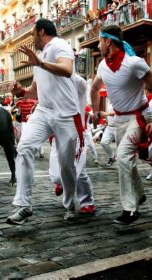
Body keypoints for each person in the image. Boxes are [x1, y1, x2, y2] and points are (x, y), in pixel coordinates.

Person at [6, 19, 82, 225]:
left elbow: (66, 69)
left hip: (66, 114)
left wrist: (39, 63)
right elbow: (35, 89)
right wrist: (20, 92)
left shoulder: (60, 45)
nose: (31, 39)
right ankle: (24, 205)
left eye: (32, 35)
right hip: (44, 111)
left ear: (41, 32)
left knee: (66, 165)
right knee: (24, 147)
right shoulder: (39, 57)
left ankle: (70, 205)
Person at [91, 25, 152, 225]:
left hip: (138, 116)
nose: (98, 45)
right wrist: (95, 111)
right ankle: (140, 193)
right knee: (127, 160)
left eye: (99, 40)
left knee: (123, 157)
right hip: (119, 120)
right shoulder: (102, 65)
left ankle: (130, 209)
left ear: (108, 41)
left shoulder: (134, 63)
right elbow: (94, 88)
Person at [49, 74, 96, 215]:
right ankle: (61, 182)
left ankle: (87, 201)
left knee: (80, 172)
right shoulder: (52, 87)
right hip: (59, 133)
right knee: (57, 174)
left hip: (79, 133)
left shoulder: (78, 83)